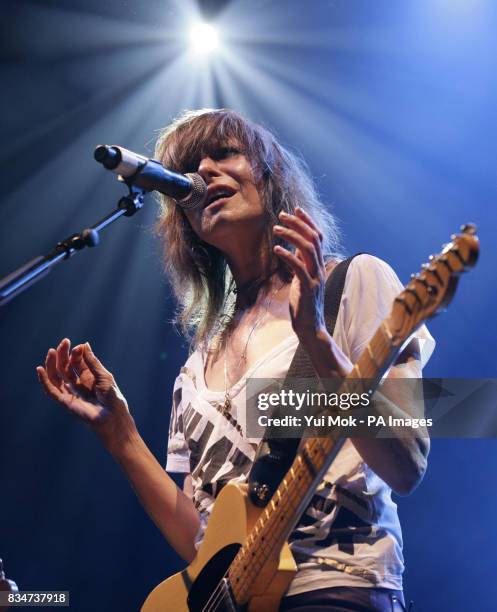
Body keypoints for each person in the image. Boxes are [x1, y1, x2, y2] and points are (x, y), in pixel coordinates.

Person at [36, 108, 434, 611]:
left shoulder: (351, 285)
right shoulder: (195, 368)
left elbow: (408, 463)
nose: (203, 172)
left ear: (269, 177)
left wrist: (315, 338)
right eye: (188, 170)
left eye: (224, 154)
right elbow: (203, 543)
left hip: (335, 585)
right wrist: (121, 436)